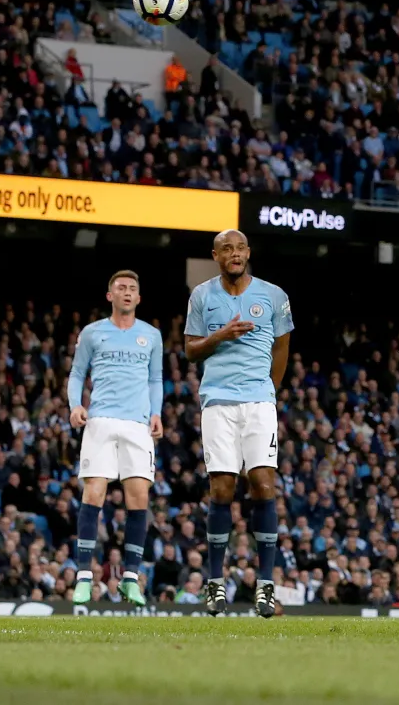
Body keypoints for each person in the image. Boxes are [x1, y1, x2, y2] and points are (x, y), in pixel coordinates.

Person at [184, 229, 293, 617]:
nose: (234, 254)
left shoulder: (274, 295)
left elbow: (282, 347)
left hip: (259, 402)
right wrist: (222, 334)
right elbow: (190, 350)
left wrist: (270, 391)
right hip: (217, 402)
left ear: (248, 252)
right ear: (216, 255)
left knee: (264, 484)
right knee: (222, 488)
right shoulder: (202, 296)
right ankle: (215, 583)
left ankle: (265, 585)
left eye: (240, 247)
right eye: (226, 249)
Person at [67, 270, 164, 606]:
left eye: (132, 289)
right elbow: (77, 372)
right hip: (101, 421)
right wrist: (75, 404)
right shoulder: (93, 333)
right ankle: (83, 577)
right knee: (94, 492)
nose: (126, 292)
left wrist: (156, 412)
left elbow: (155, 378)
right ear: (110, 296)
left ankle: (130, 579)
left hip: (137, 425)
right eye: (120, 288)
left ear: (138, 298)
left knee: (138, 499)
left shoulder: (151, 336)